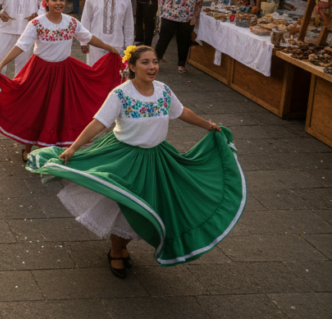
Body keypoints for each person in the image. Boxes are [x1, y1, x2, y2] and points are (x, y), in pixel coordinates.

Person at [27, 46, 245, 275]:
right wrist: (73, 148)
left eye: (155, 62)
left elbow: (181, 112)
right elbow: (99, 123)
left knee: (151, 209)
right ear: (131, 66)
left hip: (158, 158)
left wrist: (208, 125)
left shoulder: (163, 90)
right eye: (145, 62)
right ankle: (115, 250)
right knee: (126, 208)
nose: (152, 67)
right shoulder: (121, 94)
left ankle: (121, 246)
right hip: (126, 158)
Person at [0, 0, 122, 160]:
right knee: (36, 107)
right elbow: (21, 45)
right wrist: (1, 64)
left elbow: (87, 37)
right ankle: (28, 147)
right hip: (40, 71)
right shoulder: (37, 23)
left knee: (60, 108)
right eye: (54, 0)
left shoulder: (71, 22)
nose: (58, 3)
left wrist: (110, 48)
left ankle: (56, 145)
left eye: (62, 0)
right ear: (46, 2)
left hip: (64, 71)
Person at [81, 0, 135, 69]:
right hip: (95, 47)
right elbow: (85, 21)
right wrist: (84, 41)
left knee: (116, 79)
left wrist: (129, 48)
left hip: (117, 47)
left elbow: (129, 25)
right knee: (95, 75)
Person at [155, 0, 203, 74]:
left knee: (184, 41)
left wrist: (195, 17)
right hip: (169, 15)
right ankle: (155, 61)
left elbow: (199, 1)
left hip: (187, 17)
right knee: (163, 39)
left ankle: (181, 64)